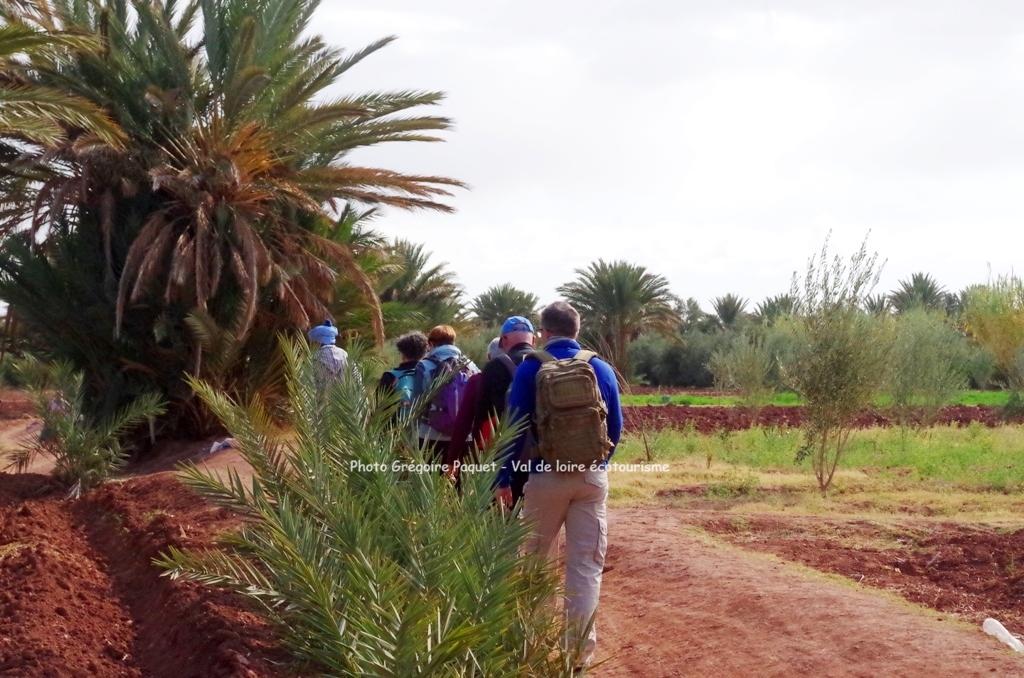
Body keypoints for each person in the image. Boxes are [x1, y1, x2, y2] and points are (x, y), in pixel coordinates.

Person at [496, 301, 622, 669]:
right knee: (584, 567)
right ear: (576, 330)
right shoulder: (599, 366)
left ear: (544, 332)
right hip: (589, 479)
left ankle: (533, 648)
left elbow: (515, 426)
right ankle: (576, 658)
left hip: (544, 475)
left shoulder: (530, 367)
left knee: (536, 562)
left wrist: (505, 478)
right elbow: (615, 426)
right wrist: (597, 466)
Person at [448, 316, 536, 500]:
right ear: (534, 340)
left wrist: (475, 455)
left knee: (498, 517)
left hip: (502, 455)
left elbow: (481, 415)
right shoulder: (545, 363)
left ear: (504, 340)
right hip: (541, 459)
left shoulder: (495, 367)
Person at [412, 325, 479, 461]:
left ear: (431, 344)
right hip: (463, 437)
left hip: (429, 437)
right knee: (459, 481)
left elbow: (416, 403)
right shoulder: (471, 366)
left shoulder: (423, 366)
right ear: (453, 342)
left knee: (429, 480)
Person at [379, 331, 429, 417]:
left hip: (395, 428)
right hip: (422, 427)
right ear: (424, 353)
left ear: (402, 353)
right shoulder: (429, 374)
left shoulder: (390, 376)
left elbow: (379, 408)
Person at [307, 320, 350, 389]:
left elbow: (308, 385)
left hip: (322, 399)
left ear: (317, 342)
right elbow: (357, 380)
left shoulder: (314, 358)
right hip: (345, 398)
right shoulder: (344, 355)